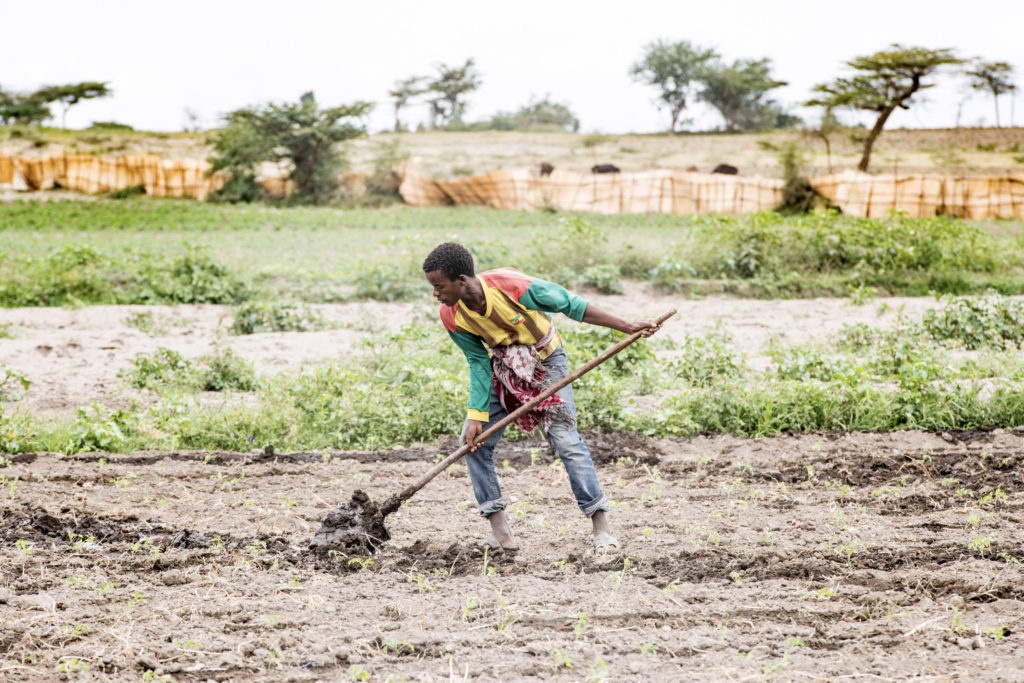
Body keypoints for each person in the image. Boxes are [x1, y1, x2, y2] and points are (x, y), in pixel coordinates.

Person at [422, 242, 660, 551]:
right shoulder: (451, 315)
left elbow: (570, 304)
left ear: (462, 280)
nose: (435, 294)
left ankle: (601, 527)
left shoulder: (514, 287)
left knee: (565, 440)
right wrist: (476, 415)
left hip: (546, 361)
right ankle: (502, 536)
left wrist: (627, 326)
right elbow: (478, 362)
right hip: (504, 366)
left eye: (439, 286)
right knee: (473, 445)